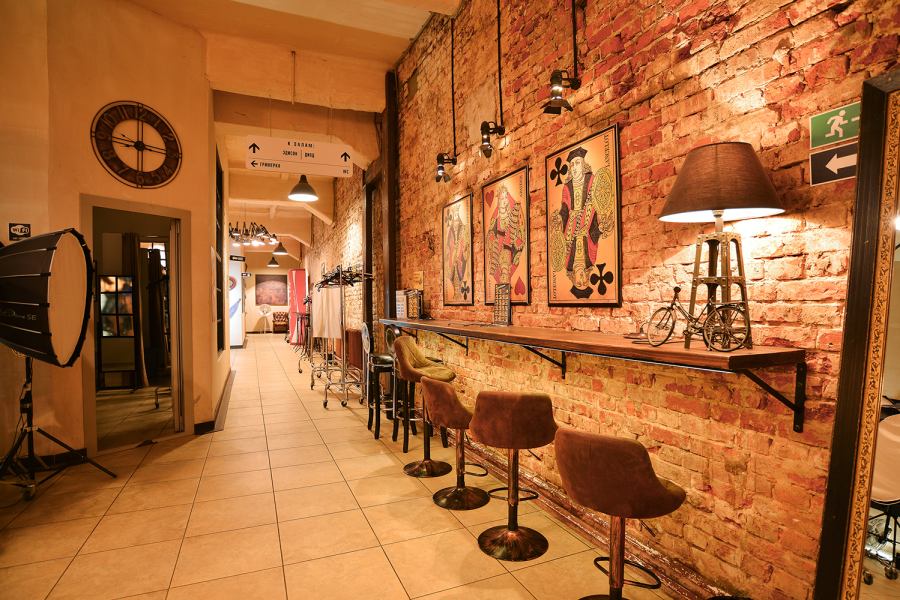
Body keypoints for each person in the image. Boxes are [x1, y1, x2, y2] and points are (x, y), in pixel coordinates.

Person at [486, 184, 525, 296]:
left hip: (509, 249)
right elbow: (490, 235)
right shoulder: (495, 219)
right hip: (497, 250)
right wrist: (493, 240)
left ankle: (505, 286)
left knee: (505, 266)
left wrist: (513, 238)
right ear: (498, 200)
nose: (503, 201)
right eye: (501, 198)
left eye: (505, 198)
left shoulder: (512, 216)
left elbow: (519, 235)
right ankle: (503, 288)